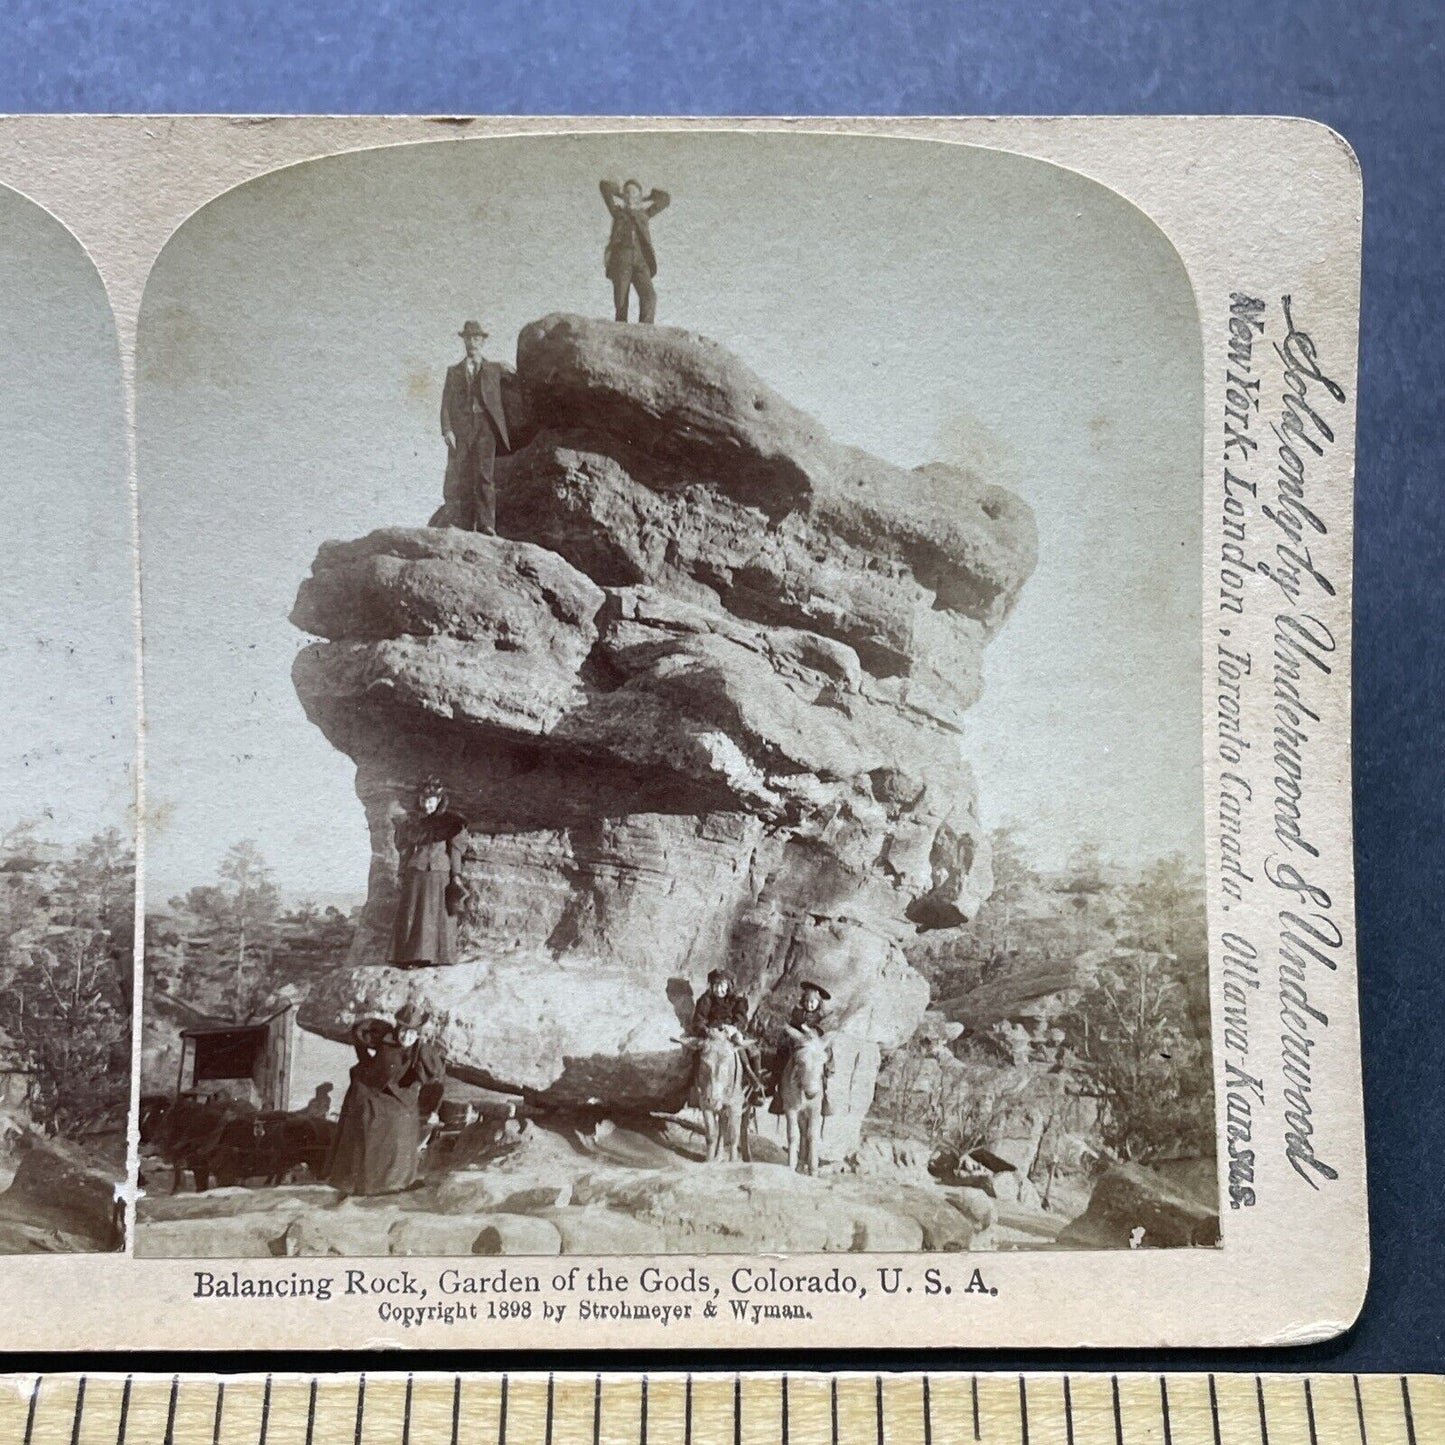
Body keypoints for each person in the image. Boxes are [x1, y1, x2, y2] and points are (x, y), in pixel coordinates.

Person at [326, 1011, 446, 1197]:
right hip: (372, 1092)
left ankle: (396, 1182)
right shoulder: (386, 1040)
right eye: (404, 1031)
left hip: (401, 1098)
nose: (407, 1036)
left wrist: (428, 1105)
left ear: (418, 1034)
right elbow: (360, 1033)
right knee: (366, 1123)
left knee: (402, 1128)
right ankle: (361, 1183)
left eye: (412, 1033)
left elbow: (433, 1078)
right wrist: (365, 1060)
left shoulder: (419, 1050)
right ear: (398, 1028)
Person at [440, 320, 511, 533]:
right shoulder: (453, 371)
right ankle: (460, 524)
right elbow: (446, 404)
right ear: (464, 341)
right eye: (469, 338)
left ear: (483, 342)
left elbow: (514, 383)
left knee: (484, 476)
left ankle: (486, 524)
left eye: (477, 338)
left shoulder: (494, 369)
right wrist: (447, 430)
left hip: (485, 427)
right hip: (462, 428)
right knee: (460, 474)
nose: (473, 342)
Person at [389, 778, 468, 968]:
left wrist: (456, 876)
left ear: (440, 800)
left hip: (440, 873)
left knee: (438, 915)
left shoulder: (452, 822)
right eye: (424, 800)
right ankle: (410, 957)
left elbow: (455, 851)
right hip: (416, 872)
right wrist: (401, 873)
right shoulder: (412, 822)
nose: (427, 804)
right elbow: (406, 851)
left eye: (431, 800)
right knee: (414, 915)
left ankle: (438, 957)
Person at [599, 178, 670, 323]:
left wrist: (647, 197)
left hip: (641, 259)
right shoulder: (617, 212)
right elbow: (604, 186)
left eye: (634, 192)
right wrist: (618, 193)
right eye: (627, 192)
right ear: (624, 196)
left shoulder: (644, 214)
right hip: (622, 258)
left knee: (649, 296)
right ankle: (620, 328)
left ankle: (645, 329)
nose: (630, 195)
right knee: (621, 300)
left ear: (639, 196)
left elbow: (665, 199)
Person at [688, 969, 763, 1104]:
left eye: (722, 985)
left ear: (728, 986)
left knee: (753, 1052)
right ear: (711, 986)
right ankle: (696, 1086)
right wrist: (706, 1030)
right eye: (715, 985)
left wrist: (734, 1027)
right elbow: (699, 1019)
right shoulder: (706, 1000)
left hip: (731, 1032)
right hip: (712, 1034)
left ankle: (753, 1082)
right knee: (697, 1052)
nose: (719, 989)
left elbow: (741, 1017)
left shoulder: (737, 1001)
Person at [768, 979, 833, 1116]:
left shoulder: (822, 1015)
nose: (809, 1005)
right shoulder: (798, 1012)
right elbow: (793, 1024)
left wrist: (814, 1031)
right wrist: (794, 1030)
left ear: (818, 1003)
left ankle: (825, 1090)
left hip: (815, 1043)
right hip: (798, 1042)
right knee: (782, 1053)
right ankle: (776, 1088)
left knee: (825, 1053)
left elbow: (824, 1027)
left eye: (813, 1002)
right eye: (807, 1001)